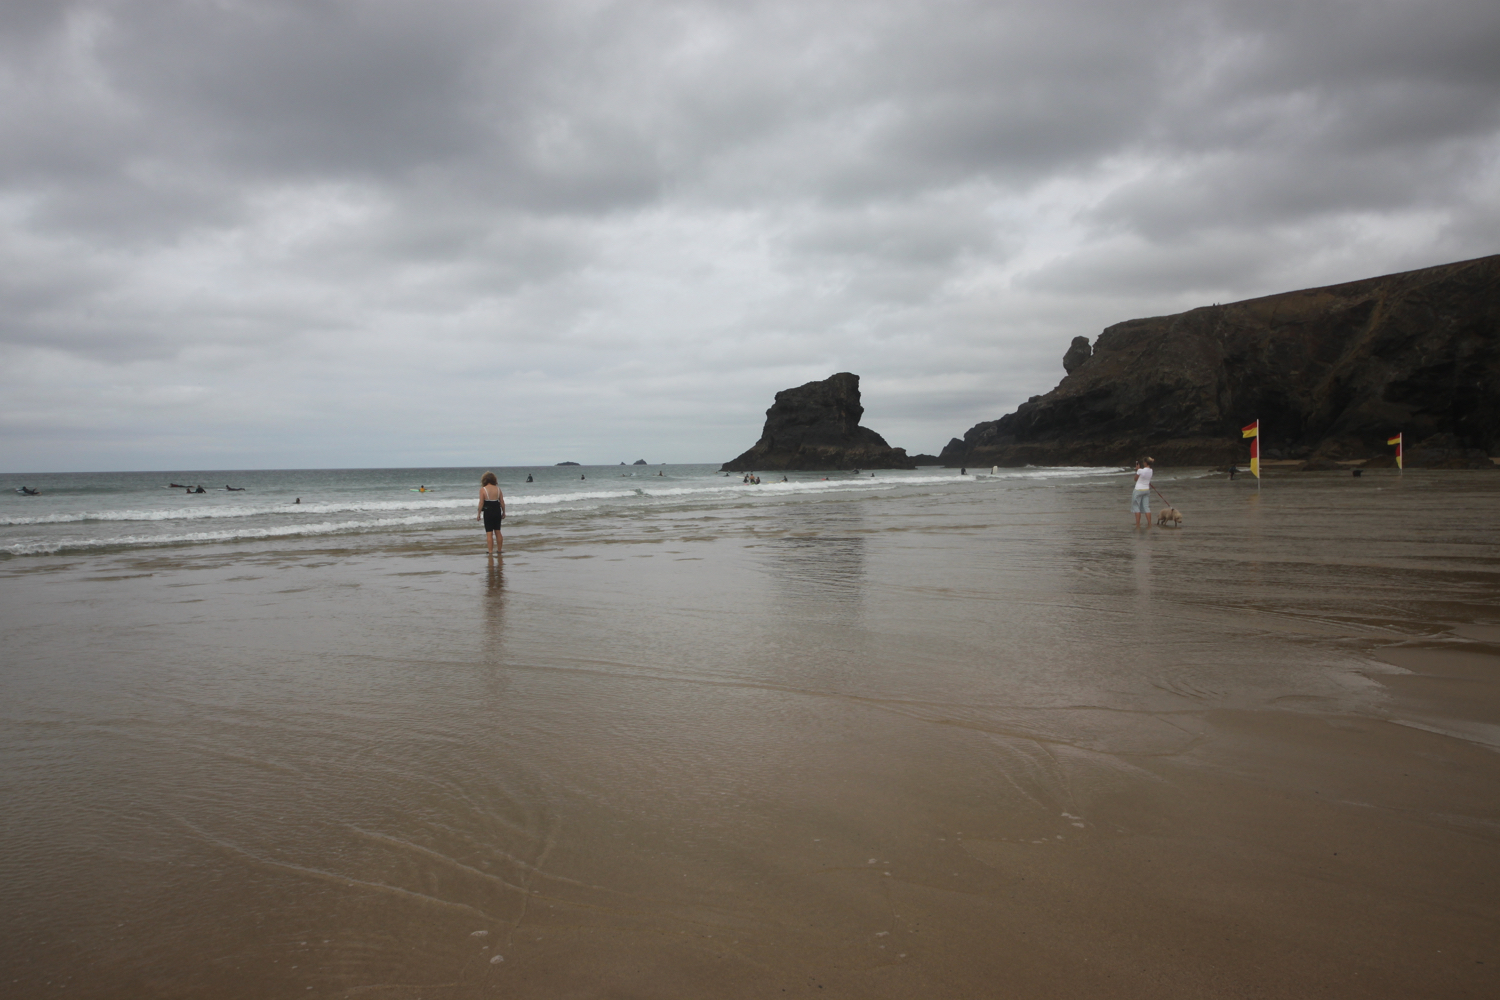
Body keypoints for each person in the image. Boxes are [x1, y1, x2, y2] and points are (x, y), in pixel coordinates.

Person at [477, 472, 506, 555]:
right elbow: (502, 502)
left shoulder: (483, 489)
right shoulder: (498, 489)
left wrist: (478, 513)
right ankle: (499, 550)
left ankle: (490, 551)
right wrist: (504, 512)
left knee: (489, 532)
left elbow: (481, 503)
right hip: (497, 510)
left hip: (488, 511)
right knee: (498, 531)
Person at [1132, 458, 1154, 527]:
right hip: (1146, 489)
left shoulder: (1140, 470)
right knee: (1146, 507)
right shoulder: (1151, 470)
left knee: (1136, 507)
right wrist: (1139, 470)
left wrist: (1137, 470)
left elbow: (1135, 479)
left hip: (1138, 489)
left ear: (1145, 463)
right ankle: (1149, 523)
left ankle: (1138, 523)